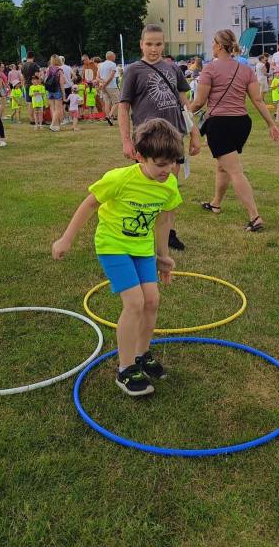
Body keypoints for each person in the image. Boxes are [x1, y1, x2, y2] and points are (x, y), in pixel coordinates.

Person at [52, 118, 182, 396]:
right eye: (161, 164)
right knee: (134, 302)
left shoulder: (169, 185)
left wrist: (163, 256)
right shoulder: (120, 179)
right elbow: (90, 203)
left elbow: (163, 220)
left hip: (142, 249)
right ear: (140, 156)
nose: (168, 169)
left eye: (172, 163)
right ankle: (125, 369)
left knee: (152, 300)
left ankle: (142, 354)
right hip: (113, 245)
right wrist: (66, 239)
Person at [118, 24, 200, 251]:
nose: (153, 49)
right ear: (141, 44)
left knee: (169, 187)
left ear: (164, 44)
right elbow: (123, 107)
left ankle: (168, 233)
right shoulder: (133, 71)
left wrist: (194, 134)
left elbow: (185, 103)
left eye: (158, 44)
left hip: (173, 137)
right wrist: (126, 140)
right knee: (144, 187)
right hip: (147, 139)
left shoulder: (173, 68)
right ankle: (141, 230)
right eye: (149, 44)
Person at [190, 29, 279, 231]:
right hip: (242, 123)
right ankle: (216, 203)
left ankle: (255, 217)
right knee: (223, 165)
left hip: (220, 124)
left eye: (213, 43)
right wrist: (271, 124)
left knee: (234, 170)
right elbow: (257, 100)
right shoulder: (246, 70)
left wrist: (181, 112)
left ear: (219, 45)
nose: (211, 46)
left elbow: (198, 102)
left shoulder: (210, 69)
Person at [45, 54, 66, 132]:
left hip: (50, 91)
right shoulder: (60, 70)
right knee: (58, 109)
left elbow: (45, 80)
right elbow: (61, 83)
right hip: (57, 90)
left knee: (52, 108)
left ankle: (56, 125)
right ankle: (53, 124)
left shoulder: (48, 69)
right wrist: (63, 94)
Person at [98, 51, 119, 124]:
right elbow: (111, 76)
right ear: (111, 56)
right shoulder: (113, 64)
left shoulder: (101, 65)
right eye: (114, 56)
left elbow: (97, 77)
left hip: (103, 86)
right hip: (111, 86)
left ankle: (109, 119)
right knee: (117, 101)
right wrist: (105, 83)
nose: (115, 57)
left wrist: (103, 83)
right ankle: (109, 116)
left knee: (107, 103)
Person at [21, 51, 40, 123]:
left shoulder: (23, 66)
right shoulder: (35, 65)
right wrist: (40, 83)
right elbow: (37, 76)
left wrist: (23, 85)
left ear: (27, 57)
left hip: (26, 85)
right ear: (33, 57)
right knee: (36, 102)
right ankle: (36, 119)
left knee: (29, 102)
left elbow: (23, 77)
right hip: (34, 85)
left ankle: (31, 119)